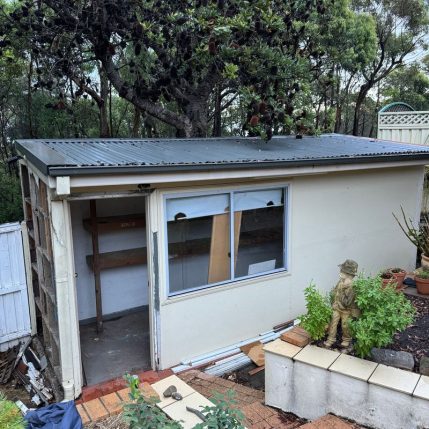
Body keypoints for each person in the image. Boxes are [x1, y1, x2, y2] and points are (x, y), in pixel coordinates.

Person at [324, 259, 359, 349]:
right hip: (337, 307)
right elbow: (335, 292)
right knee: (333, 322)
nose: (340, 273)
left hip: (346, 310)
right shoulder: (340, 282)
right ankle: (331, 338)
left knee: (345, 325)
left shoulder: (351, 287)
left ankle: (346, 339)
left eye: (342, 271)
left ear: (348, 275)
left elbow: (347, 302)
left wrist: (344, 288)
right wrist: (334, 299)